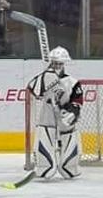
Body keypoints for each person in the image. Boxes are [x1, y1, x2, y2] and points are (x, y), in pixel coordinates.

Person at [27, 46, 83, 179]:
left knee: (69, 143)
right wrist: (46, 77)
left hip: (65, 116)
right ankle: (44, 166)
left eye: (60, 63)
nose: (57, 66)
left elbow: (78, 99)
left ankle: (70, 166)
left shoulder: (72, 82)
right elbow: (33, 90)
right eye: (55, 63)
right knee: (45, 138)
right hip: (47, 115)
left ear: (64, 64)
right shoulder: (45, 78)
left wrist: (73, 111)